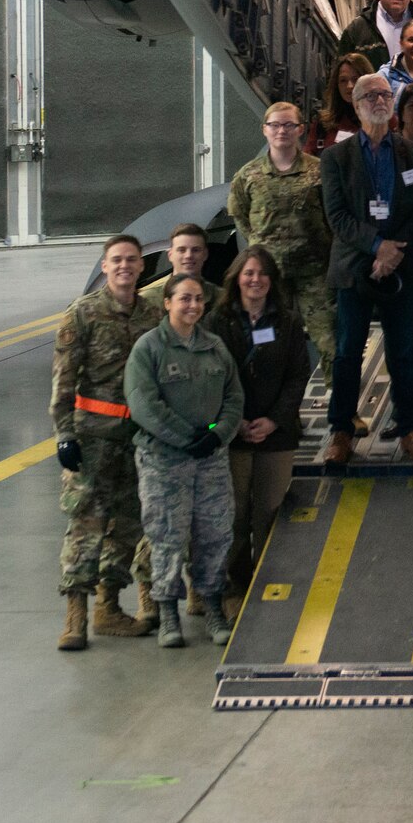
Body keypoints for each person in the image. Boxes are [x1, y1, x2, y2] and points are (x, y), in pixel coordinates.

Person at [51, 233, 163, 650]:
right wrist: (64, 434)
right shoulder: (81, 315)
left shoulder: (152, 314)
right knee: (85, 524)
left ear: (141, 267)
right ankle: (75, 617)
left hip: (137, 438)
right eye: (116, 260)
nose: (124, 267)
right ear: (105, 266)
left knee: (127, 524)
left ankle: (109, 607)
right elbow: (63, 381)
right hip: (92, 437)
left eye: (132, 261)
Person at [317, 72, 413, 466]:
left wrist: (394, 251)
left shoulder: (412, 153)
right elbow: (336, 215)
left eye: (385, 94)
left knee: (404, 351)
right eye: (371, 95)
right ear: (356, 102)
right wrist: (376, 246)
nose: (380, 100)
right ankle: (341, 432)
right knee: (348, 353)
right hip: (354, 266)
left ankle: (411, 428)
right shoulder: (336, 156)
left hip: (401, 265)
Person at [123, 271, 242, 649]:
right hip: (164, 460)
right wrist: (185, 438)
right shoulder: (149, 348)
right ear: (168, 303)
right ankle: (168, 613)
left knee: (215, 533)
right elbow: (144, 404)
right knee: (167, 535)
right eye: (184, 298)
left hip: (210, 460)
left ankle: (212, 606)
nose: (192, 305)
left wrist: (217, 434)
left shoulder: (215, 348)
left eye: (197, 299)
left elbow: (234, 397)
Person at [204, 247, 311, 598]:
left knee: (270, 513)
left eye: (263, 273)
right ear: (237, 278)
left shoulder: (289, 322)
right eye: (249, 273)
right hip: (232, 434)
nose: (256, 280)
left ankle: (267, 587)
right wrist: (233, 423)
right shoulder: (216, 323)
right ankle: (235, 588)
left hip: (276, 435)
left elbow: (298, 376)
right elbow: (209, 377)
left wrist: (275, 420)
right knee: (234, 515)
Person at [227, 102, 335, 372]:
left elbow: (333, 216)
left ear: (300, 130)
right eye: (275, 125)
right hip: (269, 277)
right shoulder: (248, 175)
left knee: (331, 342)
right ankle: (274, 410)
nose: (281, 131)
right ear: (264, 130)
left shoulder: (319, 171)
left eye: (288, 125)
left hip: (315, 273)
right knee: (269, 344)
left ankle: (342, 408)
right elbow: (240, 215)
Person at [306, 53, 374, 154]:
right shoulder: (323, 124)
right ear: (336, 85)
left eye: (355, 79)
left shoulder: (384, 119)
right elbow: (309, 160)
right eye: (343, 80)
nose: (349, 86)